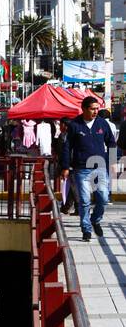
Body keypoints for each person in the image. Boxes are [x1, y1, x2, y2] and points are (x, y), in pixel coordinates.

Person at [62, 95, 118, 241]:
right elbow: (67, 147)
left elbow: (111, 143)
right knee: (85, 200)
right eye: (92, 109)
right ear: (84, 109)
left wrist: (112, 162)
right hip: (81, 169)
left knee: (103, 198)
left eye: (97, 109)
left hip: (100, 167)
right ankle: (86, 229)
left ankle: (95, 219)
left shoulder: (102, 124)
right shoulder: (75, 125)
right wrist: (66, 166)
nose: (95, 111)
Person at [53, 118, 75, 212]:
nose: (59, 127)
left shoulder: (66, 136)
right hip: (67, 164)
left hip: (68, 164)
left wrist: (65, 166)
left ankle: (70, 206)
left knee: (73, 186)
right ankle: (66, 206)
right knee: (71, 186)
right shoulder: (64, 135)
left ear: (65, 125)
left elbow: (64, 152)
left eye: (61, 125)